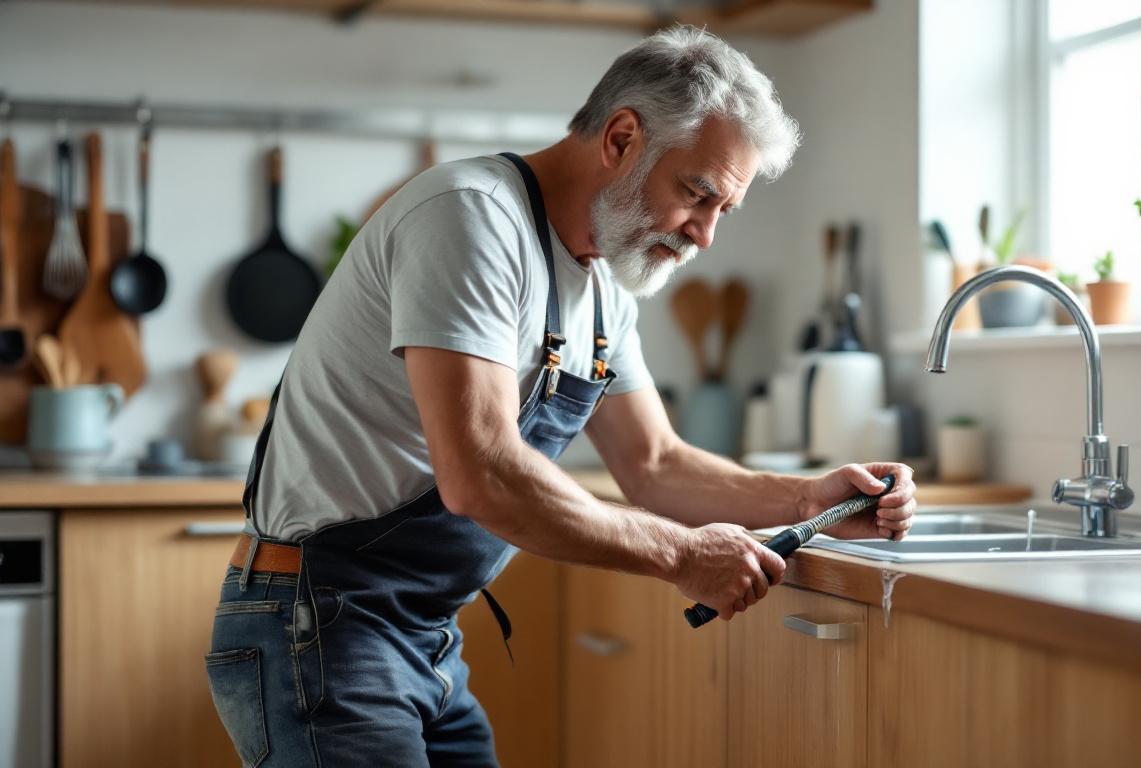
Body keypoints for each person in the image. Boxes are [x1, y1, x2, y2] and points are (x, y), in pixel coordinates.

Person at [205, 25, 917, 768]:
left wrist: (808, 501)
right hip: (316, 623)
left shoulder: (605, 287)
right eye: (697, 194)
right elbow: (479, 472)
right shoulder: (471, 219)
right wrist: (681, 554)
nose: (705, 236)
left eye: (721, 211)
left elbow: (654, 462)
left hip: (419, 633)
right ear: (620, 138)